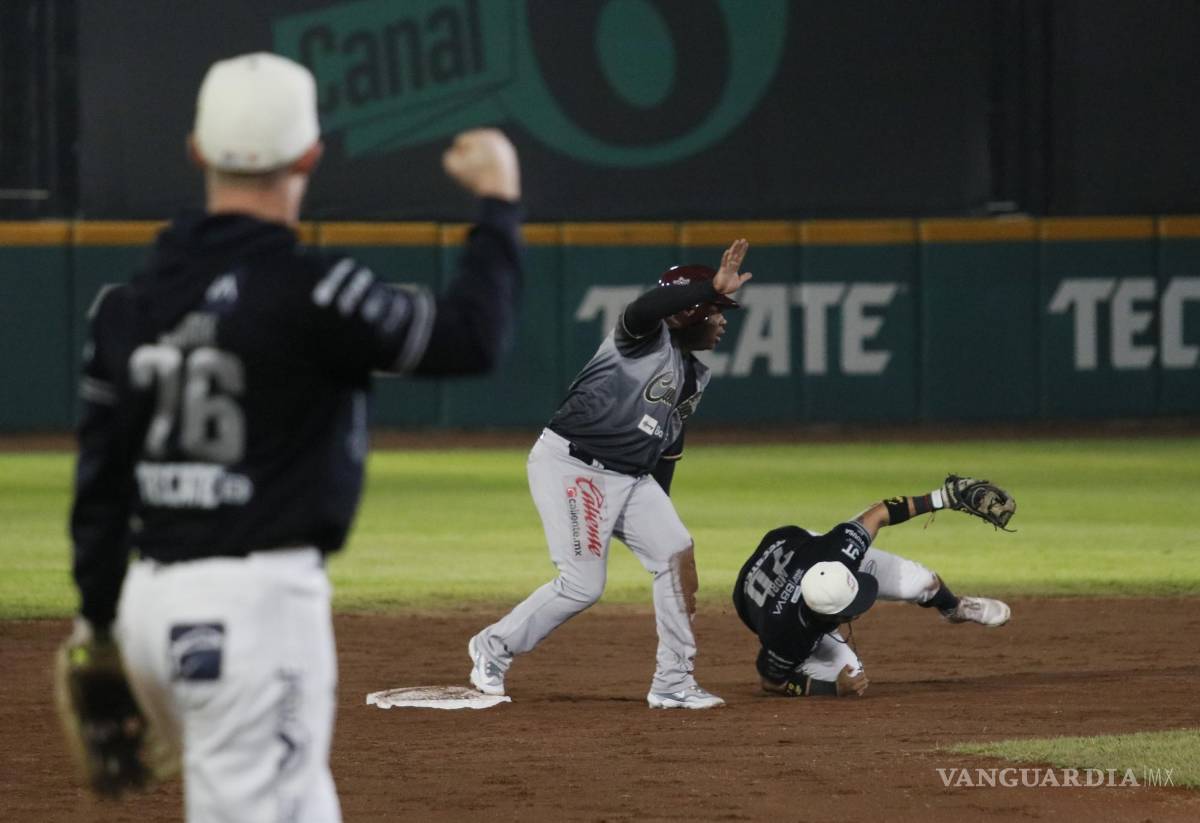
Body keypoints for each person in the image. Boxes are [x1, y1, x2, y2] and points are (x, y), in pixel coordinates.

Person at [63, 52, 522, 820]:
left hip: (149, 607)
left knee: (301, 803)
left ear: (197, 152)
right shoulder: (316, 293)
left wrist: (98, 626)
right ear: (309, 156)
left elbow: (101, 488)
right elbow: (471, 338)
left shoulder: (128, 304)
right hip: (252, 612)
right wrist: (499, 202)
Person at [468, 239, 753, 709]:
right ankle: (492, 647)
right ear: (690, 311)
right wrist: (709, 285)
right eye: (717, 310)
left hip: (632, 477)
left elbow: (668, 449)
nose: (723, 321)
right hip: (574, 465)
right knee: (583, 585)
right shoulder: (638, 335)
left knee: (675, 555)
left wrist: (656, 518)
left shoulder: (695, 374)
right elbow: (648, 305)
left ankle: (673, 683)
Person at [732, 476, 1014, 698]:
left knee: (922, 583)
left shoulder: (838, 554)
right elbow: (771, 682)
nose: (861, 608)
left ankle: (954, 608)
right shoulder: (786, 634)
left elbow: (878, 513)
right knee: (853, 676)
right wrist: (829, 689)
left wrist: (944, 498)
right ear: (831, 617)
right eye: (851, 609)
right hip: (757, 599)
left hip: (800, 547)